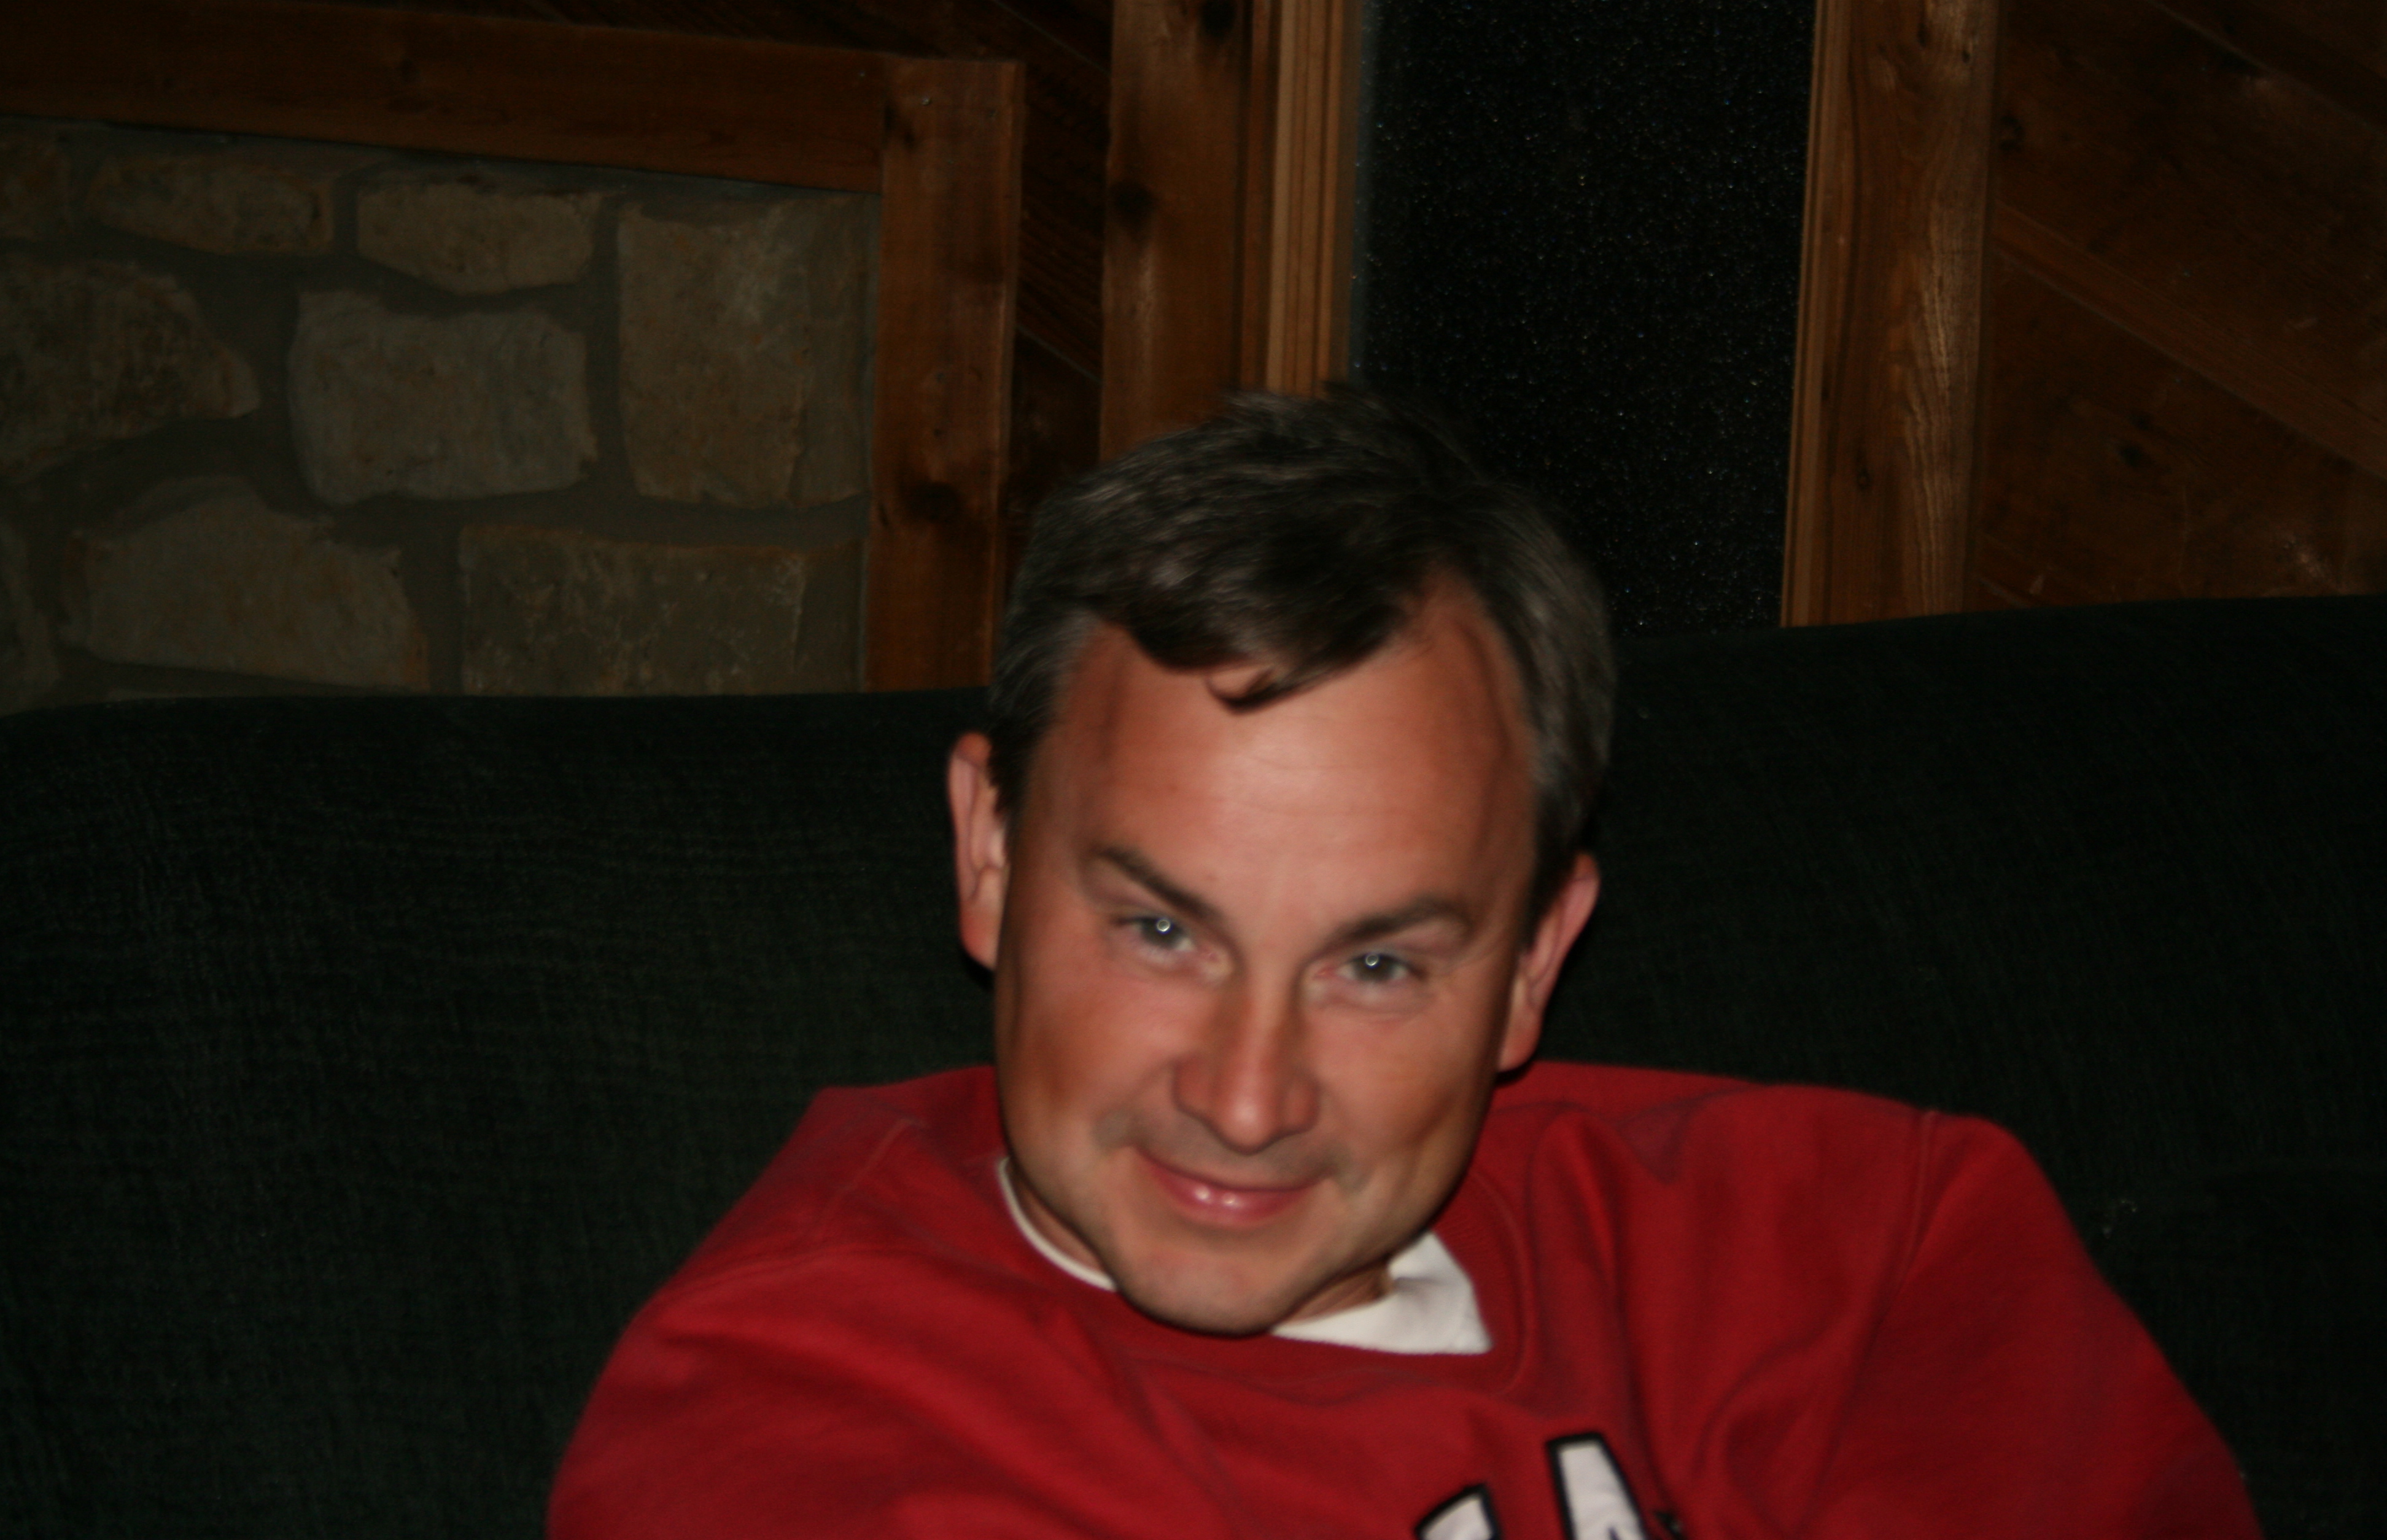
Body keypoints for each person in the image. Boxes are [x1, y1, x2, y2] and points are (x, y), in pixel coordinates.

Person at [550, 390, 2259, 1538]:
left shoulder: (1856, 1254)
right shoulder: (802, 1413)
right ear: (988, 859)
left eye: (1376, 967)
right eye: (1162, 931)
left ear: (1533, 962)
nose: (1245, 1101)